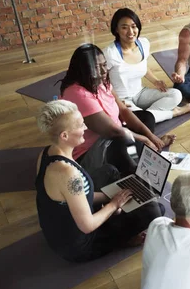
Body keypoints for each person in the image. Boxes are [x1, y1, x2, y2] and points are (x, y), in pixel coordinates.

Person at [35, 100, 164, 262]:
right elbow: (87, 225)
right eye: (80, 125)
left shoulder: (46, 153)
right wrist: (113, 204)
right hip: (79, 246)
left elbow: (74, 196)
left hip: (57, 233)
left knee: (109, 171)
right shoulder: (68, 174)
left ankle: (117, 213)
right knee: (154, 212)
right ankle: (122, 241)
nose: (85, 128)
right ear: (64, 135)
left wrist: (111, 196)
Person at [60, 44, 175, 179]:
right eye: (96, 67)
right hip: (90, 152)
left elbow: (123, 110)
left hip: (114, 135)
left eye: (104, 65)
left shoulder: (101, 82)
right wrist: (144, 138)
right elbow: (113, 131)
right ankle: (136, 169)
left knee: (146, 117)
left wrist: (150, 136)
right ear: (83, 69)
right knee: (124, 143)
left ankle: (144, 152)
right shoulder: (77, 94)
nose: (104, 71)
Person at [104, 8, 190, 123]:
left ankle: (147, 117)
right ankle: (175, 112)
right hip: (123, 99)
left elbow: (143, 66)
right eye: (124, 27)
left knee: (176, 94)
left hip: (141, 93)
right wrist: (116, 102)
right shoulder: (110, 53)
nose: (130, 32)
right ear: (116, 29)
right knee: (135, 119)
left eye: (133, 26)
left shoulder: (143, 43)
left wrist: (156, 81)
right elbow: (101, 82)